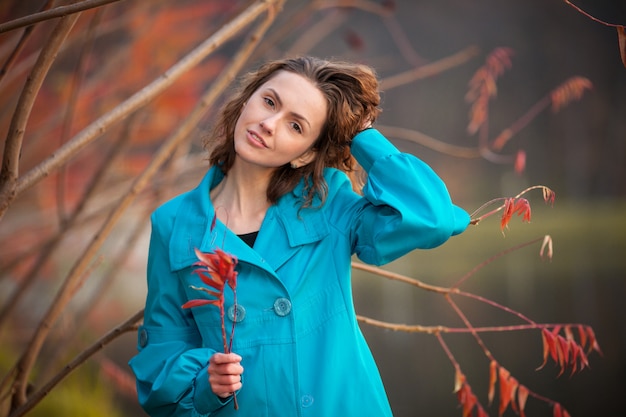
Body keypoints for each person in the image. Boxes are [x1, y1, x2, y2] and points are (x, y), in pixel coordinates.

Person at [129, 56, 470, 417]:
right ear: (248, 99)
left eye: (295, 125)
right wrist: (205, 385)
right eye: (269, 102)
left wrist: (362, 136)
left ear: (305, 153)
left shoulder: (328, 205)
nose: (269, 123)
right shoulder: (175, 223)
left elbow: (430, 217)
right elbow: (161, 361)